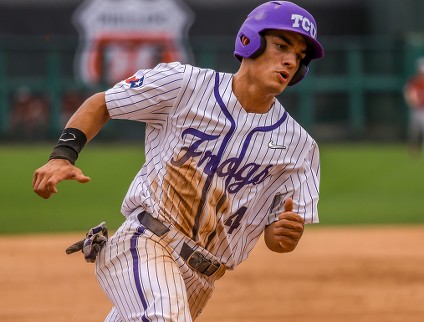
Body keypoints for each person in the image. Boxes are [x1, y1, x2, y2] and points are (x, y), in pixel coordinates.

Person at [32, 1, 324, 321]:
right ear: (248, 41)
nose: (289, 61)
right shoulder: (184, 84)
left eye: (298, 56)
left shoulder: (299, 147)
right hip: (145, 243)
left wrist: (283, 234)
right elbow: (102, 103)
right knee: (165, 315)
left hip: (201, 280)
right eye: (282, 46)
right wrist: (62, 157)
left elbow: (277, 241)